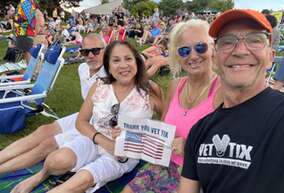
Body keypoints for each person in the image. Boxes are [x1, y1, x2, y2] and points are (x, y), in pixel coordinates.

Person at [12, 40, 163, 193]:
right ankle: (40, 175)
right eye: (116, 60)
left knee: (82, 179)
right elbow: (81, 122)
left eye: (128, 58)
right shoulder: (100, 86)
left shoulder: (150, 89)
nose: (123, 65)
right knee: (57, 160)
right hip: (94, 139)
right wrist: (104, 141)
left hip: (123, 153)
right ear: (108, 66)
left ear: (137, 61)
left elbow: (167, 126)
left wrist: (135, 137)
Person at [179, 9, 284, 193]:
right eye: (228, 42)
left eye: (255, 40)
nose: (241, 50)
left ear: (270, 57)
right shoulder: (199, 131)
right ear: (215, 58)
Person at [121, 19, 222, 193]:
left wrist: (190, 146)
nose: (193, 56)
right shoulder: (176, 85)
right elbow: (162, 129)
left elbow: (227, 149)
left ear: (213, 48)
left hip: (196, 175)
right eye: (184, 50)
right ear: (177, 55)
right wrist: (130, 135)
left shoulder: (223, 91)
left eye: (200, 47)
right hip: (162, 163)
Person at [0, 33, 107, 175]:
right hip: (84, 114)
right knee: (43, 130)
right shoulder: (82, 68)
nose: (91, 55)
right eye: (85, 51)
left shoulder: (113, 72)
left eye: (96, 50)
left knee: (47, 144)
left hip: (101, 123)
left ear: (106, 50)